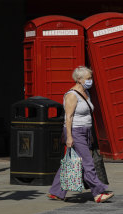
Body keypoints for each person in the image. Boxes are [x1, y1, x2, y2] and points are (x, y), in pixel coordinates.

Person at [47, 66, 113, 203]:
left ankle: (55, 192)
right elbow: (68, 117)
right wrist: (69, 137)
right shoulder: (72, 95)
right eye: (88, 78)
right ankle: (98, 193)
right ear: (79, 79)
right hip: (75, 131)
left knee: (71, 161)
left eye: (91, 78)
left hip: (86, 131)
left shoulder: (85, 92)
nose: (91, 81)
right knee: (88, 162)